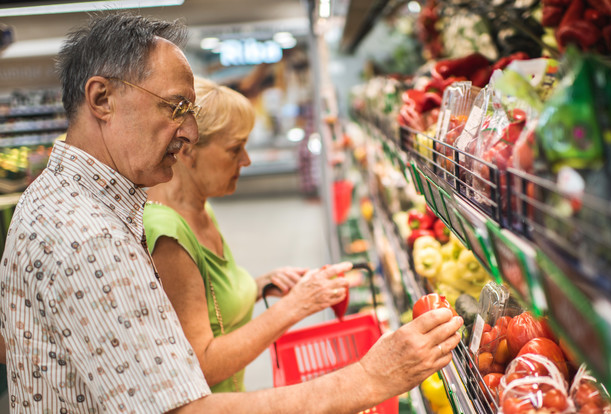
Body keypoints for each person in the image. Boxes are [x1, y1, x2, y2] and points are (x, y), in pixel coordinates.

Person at [0, 12, 462, 414]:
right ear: (101, 99)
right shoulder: (90, 236)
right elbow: (183, 410)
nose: (189, 133)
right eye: (176, 107)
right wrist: (367, 379)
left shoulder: (59, 198)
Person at [143, 76, 348, 392]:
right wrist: (296, 306)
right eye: (234, 148)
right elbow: (202, 366)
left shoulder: (200, 209)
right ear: (187, 150)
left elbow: (208, 303)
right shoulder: (167, 235)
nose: (246, 160)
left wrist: (259, 285)